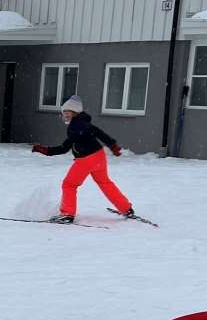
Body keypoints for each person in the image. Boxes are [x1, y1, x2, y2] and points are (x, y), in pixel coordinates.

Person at [31, 95, 137, 224]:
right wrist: (44, 150)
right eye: (64, 112)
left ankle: (67, 214)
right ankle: (126, 208)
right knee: (105, 182)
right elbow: (65, 147)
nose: (65, 115)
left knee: (69, 184)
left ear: (75, 112)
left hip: (86, 159)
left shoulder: (77, 125)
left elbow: (95, 131)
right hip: (99, 157)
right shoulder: (81, 124)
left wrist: (112, 144)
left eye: (68, 112)